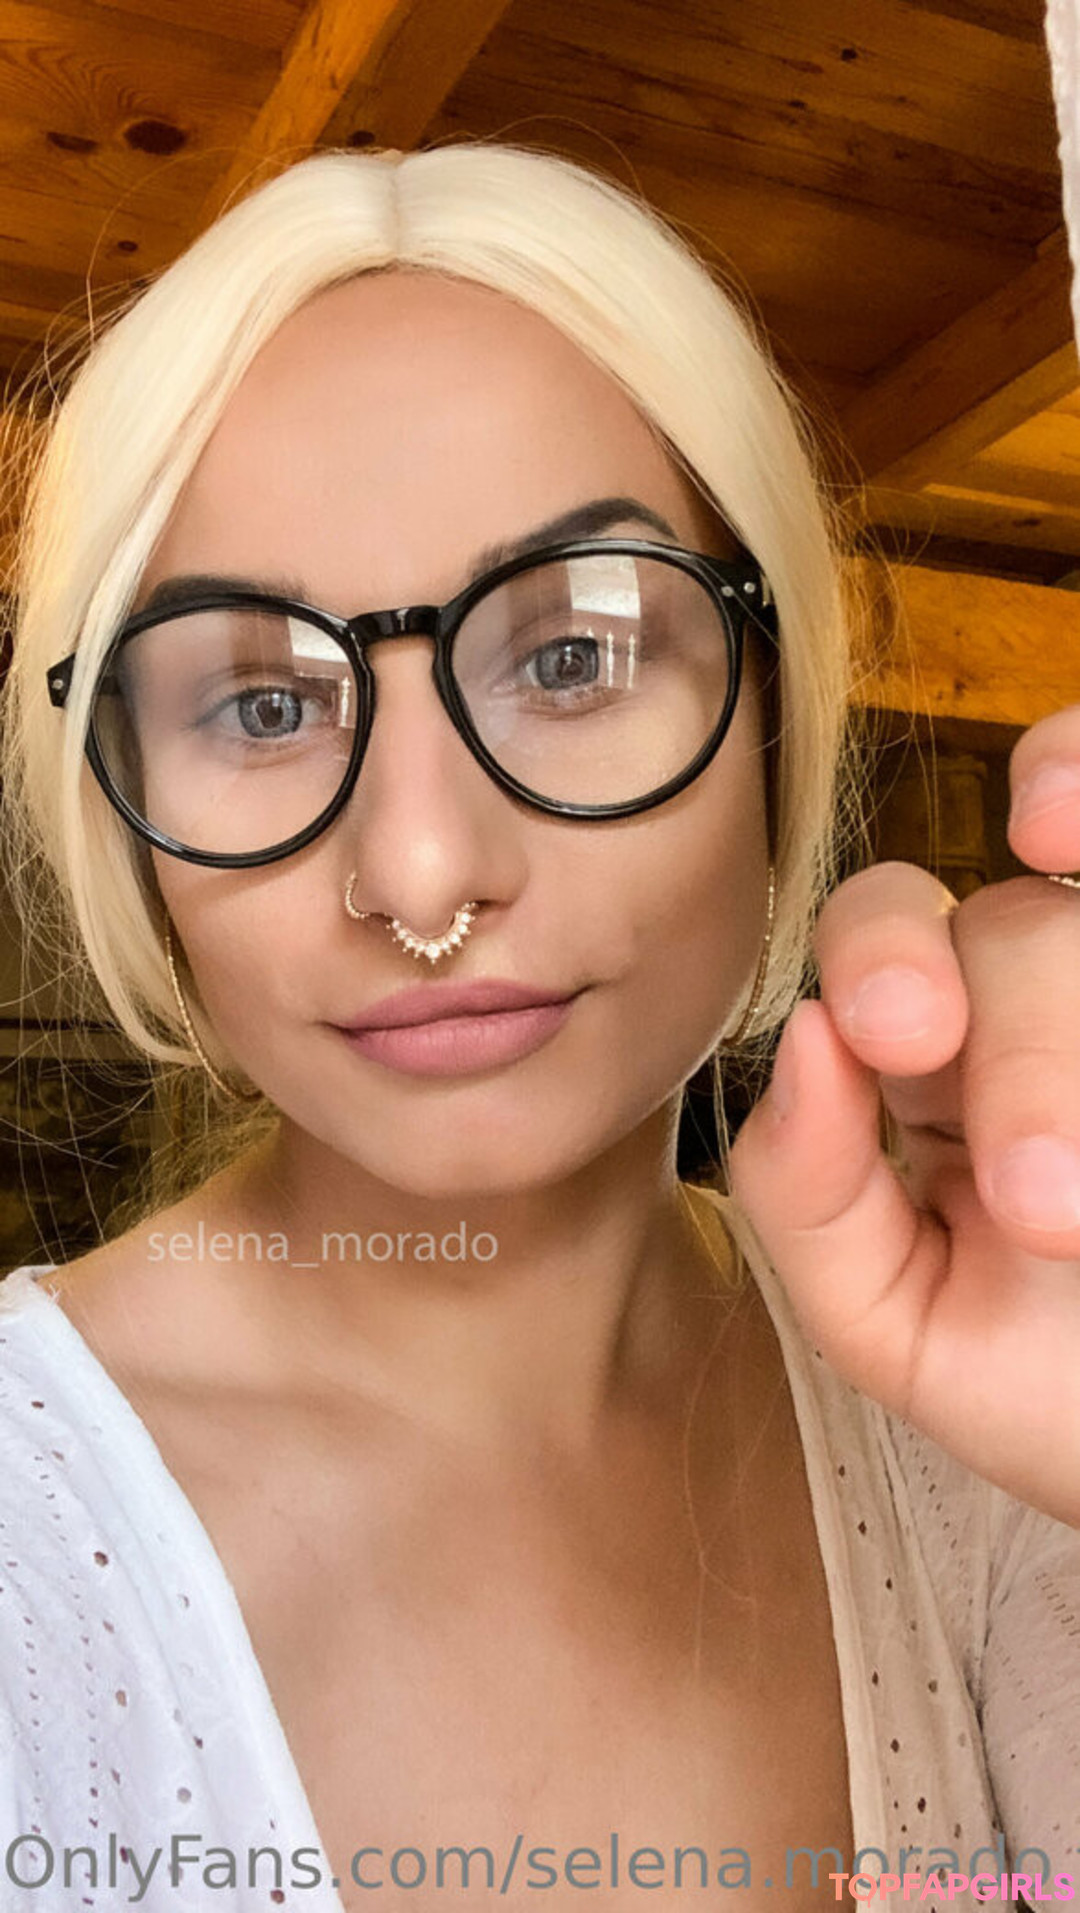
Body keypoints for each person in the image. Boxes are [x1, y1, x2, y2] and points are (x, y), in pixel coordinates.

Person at [0, 141, 1077, 1913]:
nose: (423, 875)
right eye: (262, 703)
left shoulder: (978, 1441)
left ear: (777, 703)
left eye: (573, 657)